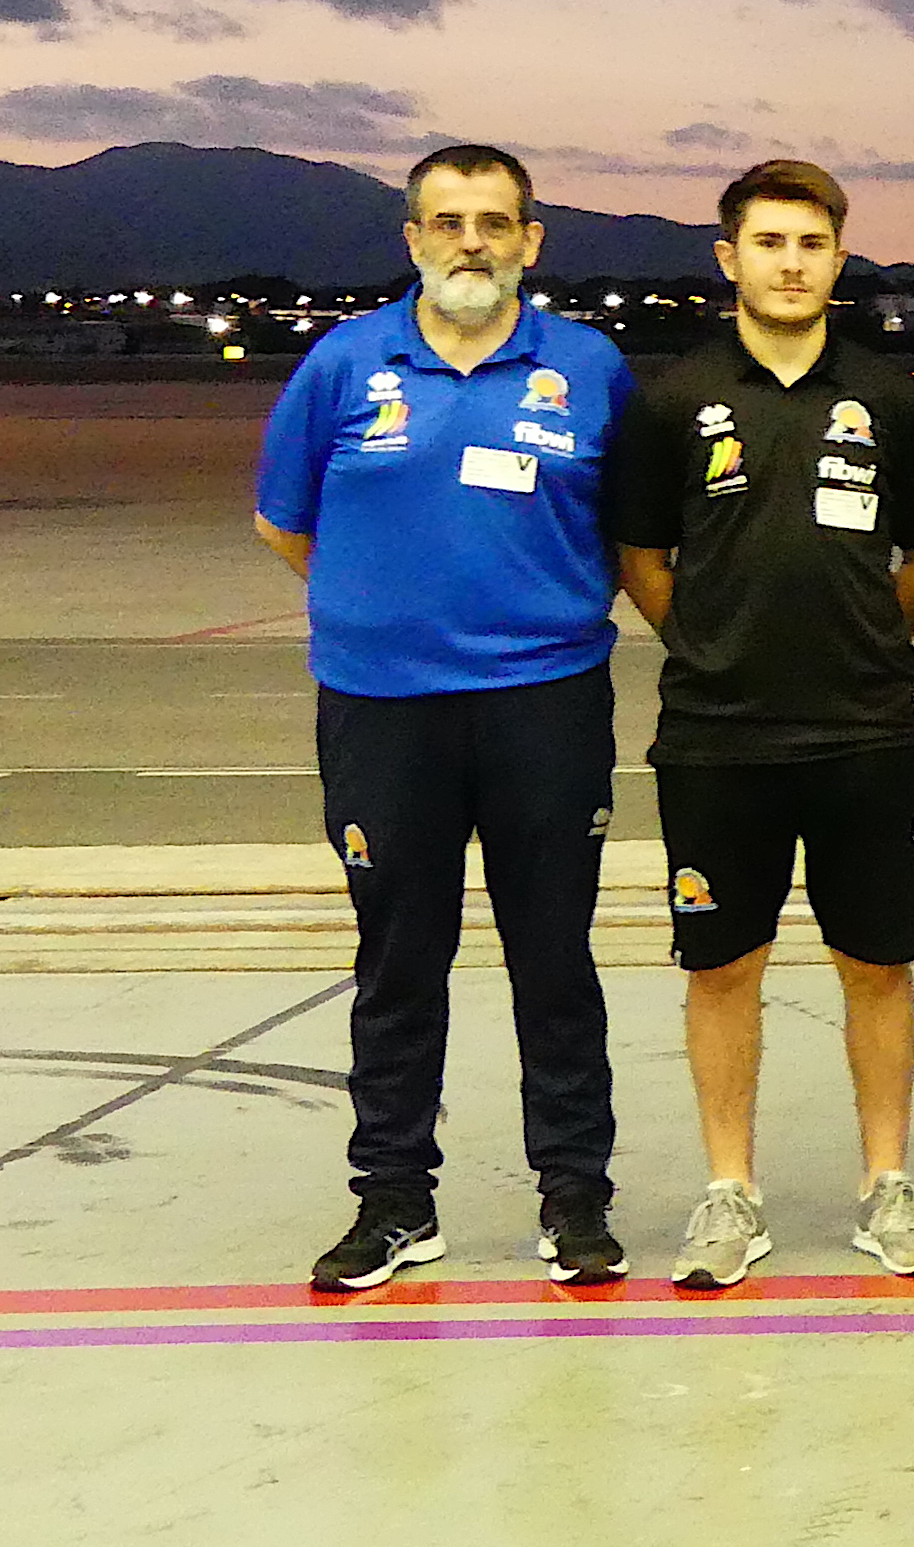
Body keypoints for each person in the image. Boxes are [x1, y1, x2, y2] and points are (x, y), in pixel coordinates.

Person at [255, 143, 635, 1291]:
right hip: (384, 712)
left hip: (546, 703)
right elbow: (286, 524)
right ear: (412, 240)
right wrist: (388, 613)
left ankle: (573, 1197)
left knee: (554, 960)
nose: (472, 240)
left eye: (495, 221)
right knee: (397, 962)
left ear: (532, 241)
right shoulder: (342, 362)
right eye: (447, 220)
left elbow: (632, 536)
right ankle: (394, 1201)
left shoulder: (589, 367)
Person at [610, 159, 914, 1289]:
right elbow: (644, 559)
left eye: (812, 244)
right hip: (719, 738)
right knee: (723, 968)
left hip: (866, 732)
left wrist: (870, 640)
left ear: (838, 258)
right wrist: (713, 640)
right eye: (769, 243)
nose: (792, 263)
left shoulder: (891, 398)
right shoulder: (671, 399)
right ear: (730, 259)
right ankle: (730, 1194)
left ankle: (887, 1185)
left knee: (880, 964)